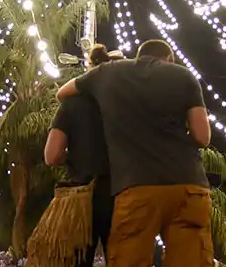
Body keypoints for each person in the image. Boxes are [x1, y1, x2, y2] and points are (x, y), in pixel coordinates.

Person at [57, 39, 213, 267]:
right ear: (168, 59)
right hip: (188, 184)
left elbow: (63, 93)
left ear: (138, 56)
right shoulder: (183, 75)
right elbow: (202, 137)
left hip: (137, 185)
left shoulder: (107, 72)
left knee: (129, 259)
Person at [28, 45, 121, 267]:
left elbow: (52, 155)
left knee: (76, 260)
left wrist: (75, 158)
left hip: (80, 200)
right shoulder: (126, 105)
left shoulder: (71, 104)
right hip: (122, 196)